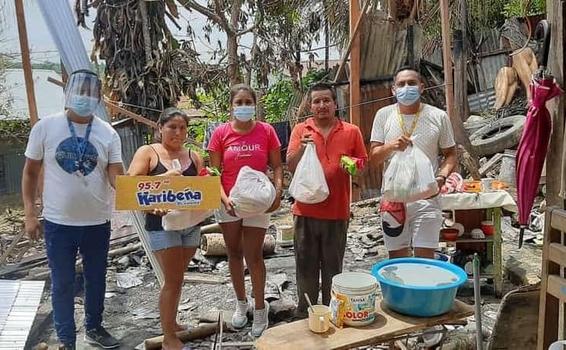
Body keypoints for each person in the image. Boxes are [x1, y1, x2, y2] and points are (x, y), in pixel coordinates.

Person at [22, 70, 123, 350]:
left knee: (96, 279)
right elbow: (30, 173)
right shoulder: (45, 127)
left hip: (97, 222)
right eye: (80, 91)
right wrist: (30, 214)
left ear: (98, 98)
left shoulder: (108, 133)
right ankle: (66, 339)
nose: (85, 97)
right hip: (58, 223)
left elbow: (116, 175)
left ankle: (94, 328)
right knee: (63, 282)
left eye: (91, 93)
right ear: (68, 93)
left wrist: (144, 196)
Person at [207, 84, 283, 337]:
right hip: (229, 202)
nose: (243, 106)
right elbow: (214, 173)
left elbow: (277, 166)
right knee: (234, 254)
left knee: (255, 256)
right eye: (238, 102)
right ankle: (241, 304)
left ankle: (260, 308)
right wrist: (224, 198)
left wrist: (278, 192)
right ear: (231, 105)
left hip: (259, 203)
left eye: (247, 101)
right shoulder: (220, 134)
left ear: (255, 104)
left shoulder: (266, 131)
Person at [287, 83, 368, 317]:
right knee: (305, 268)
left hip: (336, 213)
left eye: (326, 101)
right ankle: (307, 315)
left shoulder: (351, 131)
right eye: (316, 101)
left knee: (333, 269)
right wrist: (302, 149)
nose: (321, 105)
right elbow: (291, 166)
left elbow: (363, 165)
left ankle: (333, 314)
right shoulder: (301, 130)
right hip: (304, 212)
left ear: (335, 104)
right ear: (310, 106)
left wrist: (352, 166)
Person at [127, 108, 203, 350]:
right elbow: (130, 186)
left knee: (177, 279)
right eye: (172, 127)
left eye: (182, 128)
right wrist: (165, 180)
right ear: (160, 128)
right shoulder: (148, 152)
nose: (177, 132)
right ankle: (169, 337)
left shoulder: (193, 155)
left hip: (190, 226)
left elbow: (202, 185)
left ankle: (172, 322)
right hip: (161, 226)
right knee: (172, 280)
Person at [370, 66, 458, 259]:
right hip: (393, 200)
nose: (406, 88)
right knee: (397, 260)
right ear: (393, 90)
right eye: (401, 84)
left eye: (412, 83)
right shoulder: (383, 115)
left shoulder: (438, 116)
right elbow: (374, 158)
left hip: (427, 199)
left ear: (421, 87)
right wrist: (391, 146)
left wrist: (442, 176)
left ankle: (422, 289)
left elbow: (451, 154)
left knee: (424, 260)